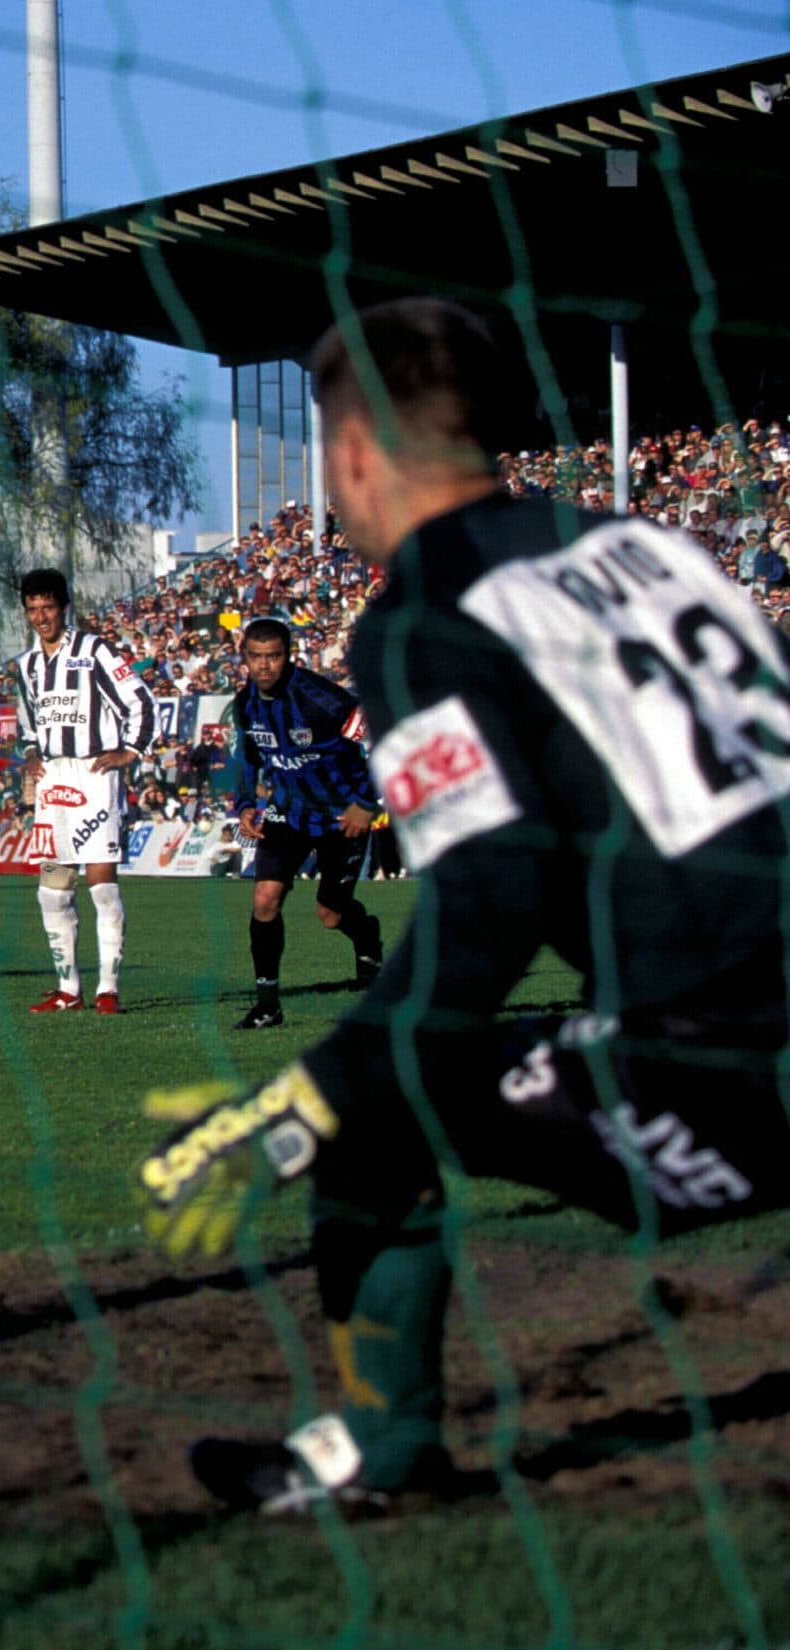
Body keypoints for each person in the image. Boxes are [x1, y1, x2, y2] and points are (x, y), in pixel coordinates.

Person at [138, 297, 790, 1514]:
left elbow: (488, 902)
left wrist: (318, 1086)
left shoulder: (424, 607)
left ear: (350, 455)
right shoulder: (653, 551)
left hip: (726, 1060)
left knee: (372, 1109)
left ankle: (382, 1457)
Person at [227, 618, 385, 1029]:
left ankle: (366, 936)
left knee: (330, 914)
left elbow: (382, 741)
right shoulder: (245, 704)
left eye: (273, 656)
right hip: (287, 812)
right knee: (264, 899)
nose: (264, 666)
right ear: (244, 657)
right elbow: (247, 758)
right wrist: (245, 804)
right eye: (255, 657)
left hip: (340, 815)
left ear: (288, 656)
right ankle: (267, 1005)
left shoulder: (325, 700)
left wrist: (366, 803)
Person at [11, 568, 155, 1014]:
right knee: (52, 890)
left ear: (64, 605)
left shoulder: (94, 651)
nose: (41, 617)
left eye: (48, 607)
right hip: (52, 781)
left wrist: (130, 751)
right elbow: (26, 724)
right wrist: (31, 751)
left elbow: (141, 701)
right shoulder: (27, 665)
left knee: (101, 888)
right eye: (33, 609)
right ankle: (68, 989)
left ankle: (107, 989)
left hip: (94, 775)